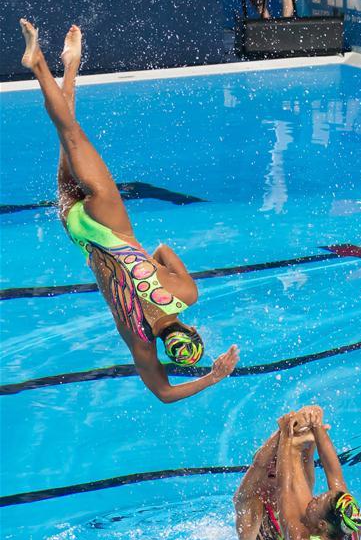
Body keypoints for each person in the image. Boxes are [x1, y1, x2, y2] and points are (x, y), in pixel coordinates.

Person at [19, 20, 239, 403]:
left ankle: (39, 65)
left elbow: (166, 250)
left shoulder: (186, 294)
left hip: (112, 226)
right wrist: (211, 379)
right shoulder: (139, 341)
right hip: (79, 232)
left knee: (72, 135)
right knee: (65, 136)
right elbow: (164, 393)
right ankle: (69, 66)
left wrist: (150, 261)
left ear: (191, 329)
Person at [234, 405, 361, 540]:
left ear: (322, 524)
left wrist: (287, 430)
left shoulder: (302, 532)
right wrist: (314, 425)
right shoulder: (250, 505)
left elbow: (287, 475)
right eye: (272, 461)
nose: (275, 465)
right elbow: (259, 465)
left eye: (278, 460)